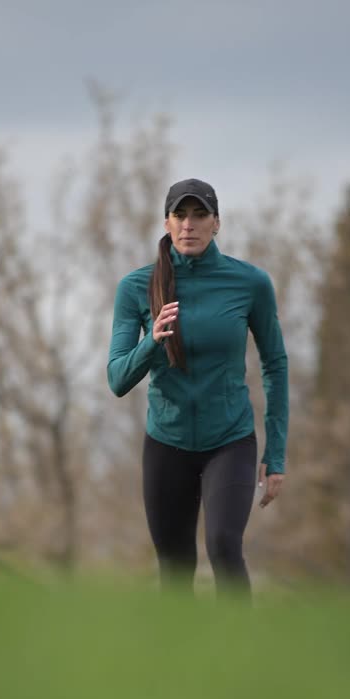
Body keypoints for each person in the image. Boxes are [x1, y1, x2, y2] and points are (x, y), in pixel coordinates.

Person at [107, 178, 289, 594]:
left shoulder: (250, 284)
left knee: (224, 546)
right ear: (167, 223)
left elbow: (275, 364)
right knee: (174, 568)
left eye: (200, 215)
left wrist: (275, 454)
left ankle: (241, 654)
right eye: (180, 215)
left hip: (229, 439)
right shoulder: (136, 287)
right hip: (166, 443)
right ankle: (179, 659)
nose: (189, 225)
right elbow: (117, 378)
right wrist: (153, 343)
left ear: (217, 223)